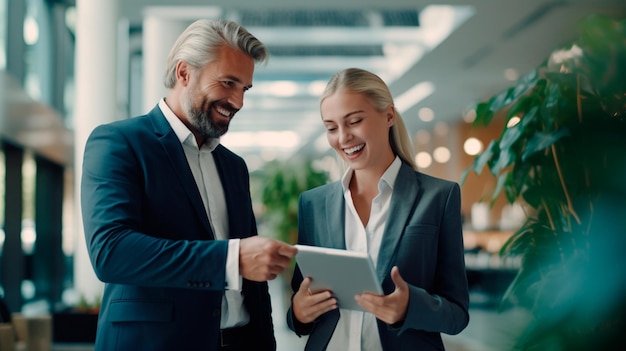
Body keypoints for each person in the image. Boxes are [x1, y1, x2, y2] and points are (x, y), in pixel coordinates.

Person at [81, 19, 297, 351]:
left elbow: (254, 290)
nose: (238, 101)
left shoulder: (234, 167)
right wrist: (232, 259)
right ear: (184, 73)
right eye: (228, 83)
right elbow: (112, 252)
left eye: (245, 89)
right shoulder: (119, 142)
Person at [286, 68, 470, 350]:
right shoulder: (313, 204)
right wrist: (299, 313)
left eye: (354, 121)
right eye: (331, 128)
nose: (343, 137)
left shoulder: (438, 197)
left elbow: (457, 315)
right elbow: (302, 303)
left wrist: (409, 307)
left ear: (389, 115)